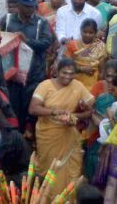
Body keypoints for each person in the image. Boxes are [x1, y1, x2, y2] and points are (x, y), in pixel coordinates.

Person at [29, 58, 94, 197]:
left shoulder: (78, 86)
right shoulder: (45, 86)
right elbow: (33, 109)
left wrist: (74, 116)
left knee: (72, 170)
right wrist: (53, 112)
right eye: (64, 73)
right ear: (57, 72)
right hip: (48, 135)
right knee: (49, 170)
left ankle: (67, 199)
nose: (68, 76)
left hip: (69, 135)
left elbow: (90, 110)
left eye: (71, 73)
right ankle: (47, 199)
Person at [0, 0, 53, 132]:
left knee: (31, 111)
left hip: (34, 75)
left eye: (32, 7)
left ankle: (30, 137)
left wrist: (27, 41)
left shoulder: (41, 23)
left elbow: (46, 43)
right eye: (27, 7)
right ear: (18, 6)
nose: (30, 10)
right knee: (13, 111)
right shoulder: (7, 20)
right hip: (12, 77)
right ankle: (15, 136)